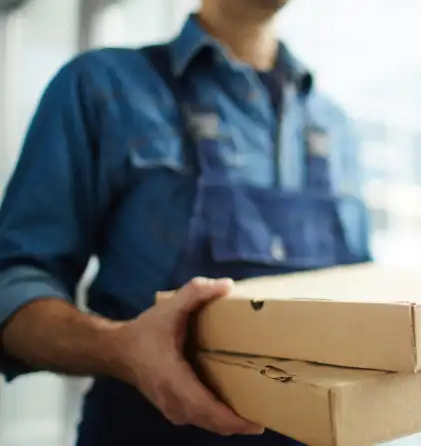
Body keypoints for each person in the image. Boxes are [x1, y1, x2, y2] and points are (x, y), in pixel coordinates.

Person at [0, 0, 371, 444]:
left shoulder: (335, 125)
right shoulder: (101, 85)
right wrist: (120, 349)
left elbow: (360, 291)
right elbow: (12, 283)